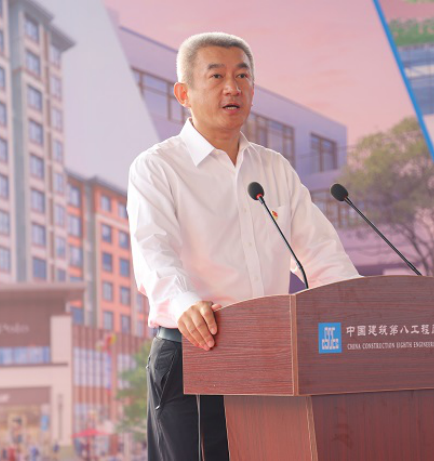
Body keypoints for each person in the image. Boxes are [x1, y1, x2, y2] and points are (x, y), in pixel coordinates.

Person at [127, 32, 359, 461]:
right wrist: (185, 303)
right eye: (216, 76)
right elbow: (153, 251)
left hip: (272, 355)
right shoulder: (157, 167)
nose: (232, 87)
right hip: (196, 351)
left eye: (242, 76)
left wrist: (358, 306)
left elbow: (320, 254)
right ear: (184, 94)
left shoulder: (274, 168)